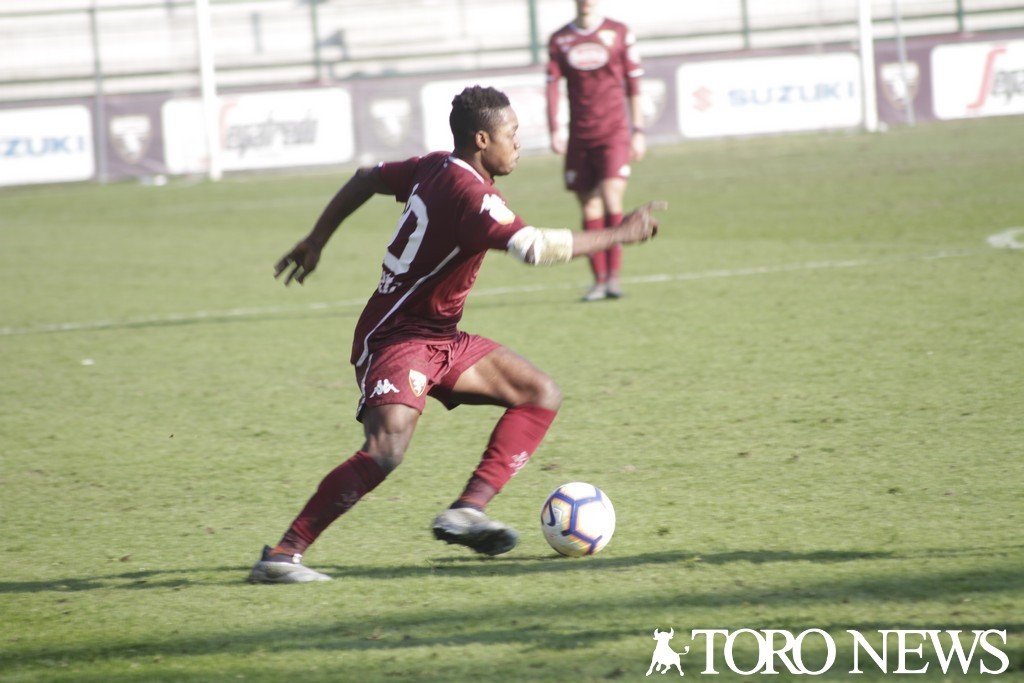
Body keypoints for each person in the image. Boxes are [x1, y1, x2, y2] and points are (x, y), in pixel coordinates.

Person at [249, 86, 663, 583]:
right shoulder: (473, 197)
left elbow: (366, 178)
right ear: (482, 139)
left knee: (539, 394)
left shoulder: (435, 165)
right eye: (512, 135)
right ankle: (283, 556)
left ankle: (468, 510)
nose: (518, 144)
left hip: (440, 338)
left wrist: (317, 239)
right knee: (385, 450)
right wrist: (623, 232)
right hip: (396, 338)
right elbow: (535, 248)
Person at [547, 0, 646, 301]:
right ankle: (599, 281)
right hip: (580, 135)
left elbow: (634, 83)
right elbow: (552, 86)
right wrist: (555, 129)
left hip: (614, 132)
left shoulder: (618, 32)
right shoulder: (560, 39)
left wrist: (637, 131)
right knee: (590, 207)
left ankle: (614, 278)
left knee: (611, 197)